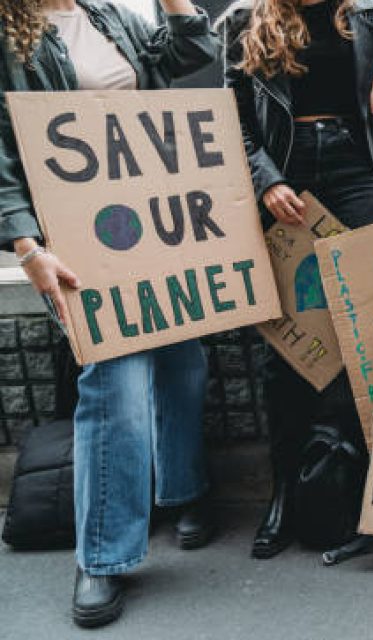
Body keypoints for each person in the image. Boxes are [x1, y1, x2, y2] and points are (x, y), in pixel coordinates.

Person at [0, 0, 218, 628]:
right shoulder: (10, 31)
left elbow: (191, 53)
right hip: (73, 234)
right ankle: (102, 554)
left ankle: (182, 493)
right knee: (113, 383)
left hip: (153, 220)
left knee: (184, 360)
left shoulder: (108, 16)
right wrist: (26, 245)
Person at [219, 0, 373, 559]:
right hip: (285, 174)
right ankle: (285, 493)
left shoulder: (369, 12)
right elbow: (230, 118)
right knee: (282, 343)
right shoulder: (245, 19)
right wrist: (265, 180)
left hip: (355, 166)